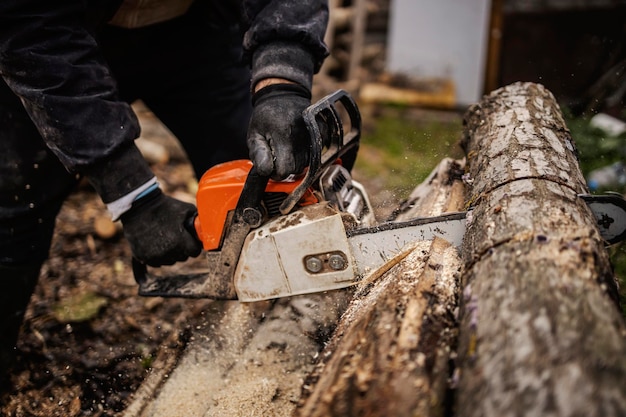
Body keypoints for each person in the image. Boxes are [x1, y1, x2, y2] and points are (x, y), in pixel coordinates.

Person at [0, 0, 329, 372]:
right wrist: (132, 196)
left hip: (195, 28)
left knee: (263, 173)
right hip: (56, 46)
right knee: (15, 203)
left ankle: (285, 319)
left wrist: (281, 83)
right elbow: (30, 30)